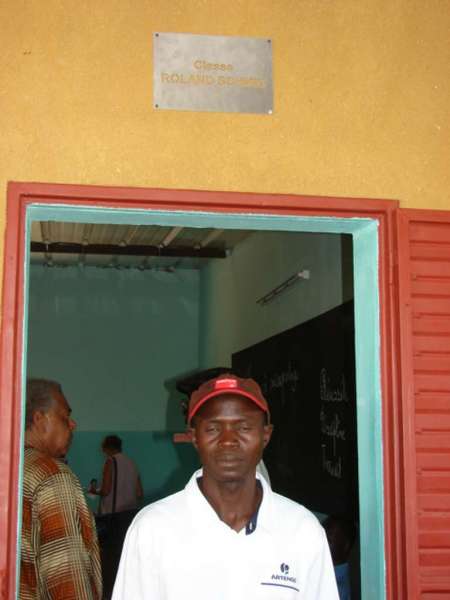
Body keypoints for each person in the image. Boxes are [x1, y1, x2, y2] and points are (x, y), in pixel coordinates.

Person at [112, 373, 339, 599]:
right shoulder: (152, 530)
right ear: (194, 437)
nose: (228, 440)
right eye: (212, 429)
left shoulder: (302, 531)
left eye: (244, 427)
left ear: (265, 435)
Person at [20, 378, 102, 600]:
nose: (73, 424)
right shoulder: (52, 476)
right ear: (39, 419)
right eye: (65, 416)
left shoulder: (10, 467)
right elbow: (67, 578)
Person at [89, 435, 143, 515]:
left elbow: (106, 490)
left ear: (106, 448)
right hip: (130, 513)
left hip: (113, 514)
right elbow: (139, 493)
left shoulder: (110, 461)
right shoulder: (132, 463)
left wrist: (94, 491)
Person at [322, 516, 357, 600]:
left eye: (329, 540)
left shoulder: (337, 589)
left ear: (345, 546)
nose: (322, 543)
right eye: (322, 537)